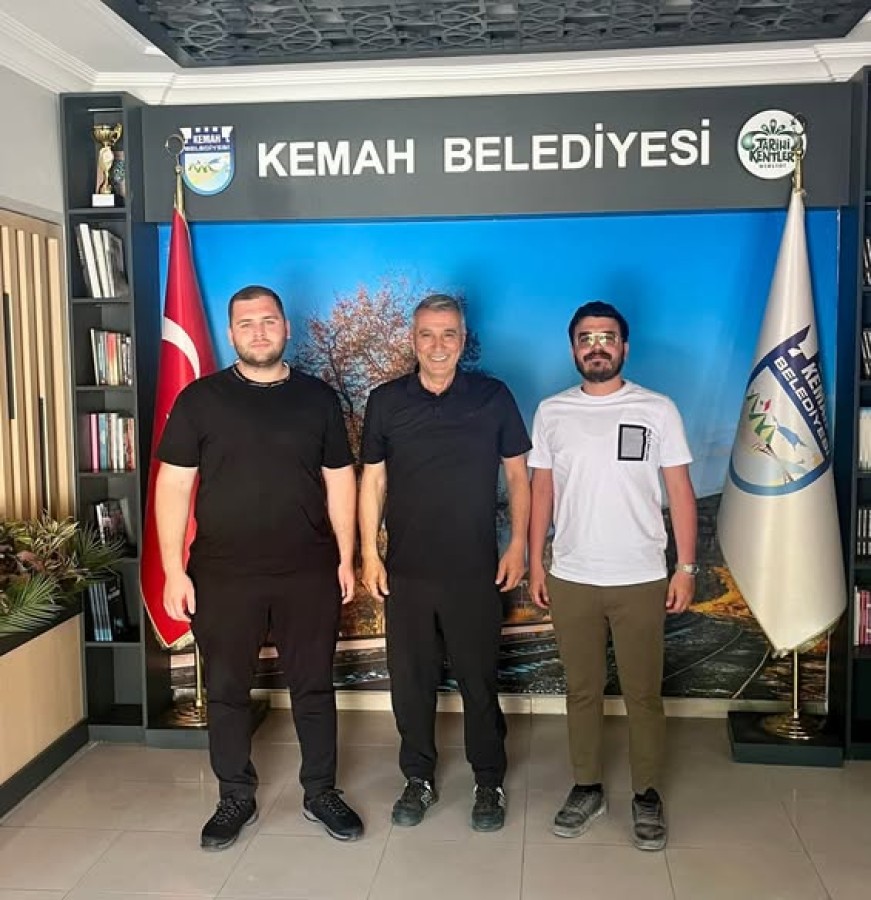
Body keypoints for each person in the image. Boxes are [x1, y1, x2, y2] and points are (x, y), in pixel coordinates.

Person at [155, 284, 363, 850]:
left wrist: (346, 556)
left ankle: (321, 792)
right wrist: (173, 570)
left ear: (286, 327)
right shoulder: (200, 400)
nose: (259, 332)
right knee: (226, 689)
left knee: (313, 685)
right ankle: (234, 797)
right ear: (230, 334)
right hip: (222, 572)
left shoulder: (318, 399)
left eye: (269, 320)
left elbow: (340, 480)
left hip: (308, 569)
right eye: (246, 323)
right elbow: (173, 485)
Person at [527, 300, 697, 852]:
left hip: (641, 576)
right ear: (573, 348)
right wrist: (536, 561)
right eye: (585, 338)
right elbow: (542, 492)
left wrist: (685, 567)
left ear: (624, 346)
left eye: (606, 337)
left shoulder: (658, 409)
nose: (596, 346)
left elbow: (680, 491)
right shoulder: (551, 412)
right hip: (572, 576)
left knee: (643, 694)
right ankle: (587, 787)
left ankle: (646, 794)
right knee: (582, 691)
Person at [359, 293, 531, 832]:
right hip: (406, 572)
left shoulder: (493, 397)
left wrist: (519, 544)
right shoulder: (386, 401)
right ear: (413, 340)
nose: (438, 345)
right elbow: (373, 480)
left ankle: (489, 780)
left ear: (463, 339)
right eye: (427, 334)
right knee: (410, 684)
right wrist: (369, 552)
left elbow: (518, 476)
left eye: (449, 334)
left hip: (474, 571)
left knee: (479, 681)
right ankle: (418, 778)